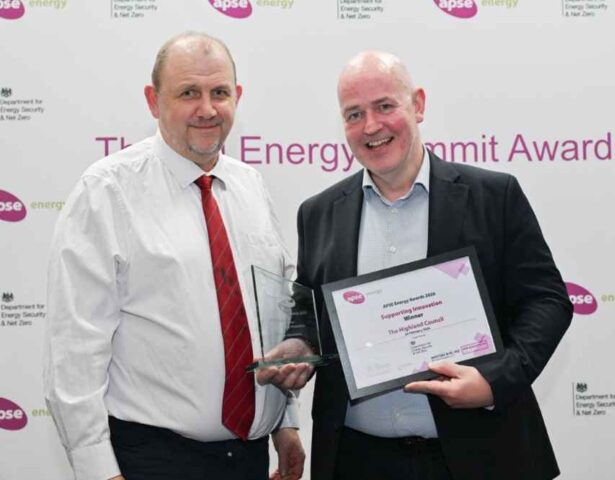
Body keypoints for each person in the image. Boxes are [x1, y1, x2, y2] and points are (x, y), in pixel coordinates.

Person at [258, 51, 573, 480]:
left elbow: (547, 302)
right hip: (357, 460)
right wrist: (301, 344)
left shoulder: (494, 195)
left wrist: (494, 381)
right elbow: (309, 310)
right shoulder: (319, 213)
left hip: (480, 455)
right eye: (354, 114)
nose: (371, 126)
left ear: (418, 105)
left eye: (384, 106)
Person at [43, 32, 304, 480]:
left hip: (249, 458)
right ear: (153, 100)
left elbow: (270, 318)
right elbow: (74, 350)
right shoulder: (106, 191)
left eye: (219, 92)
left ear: (237, 97)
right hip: (151, 461)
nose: (207, 109)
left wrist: (286, 423)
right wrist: (98, 470)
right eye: (188, 93)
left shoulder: (250, 186)